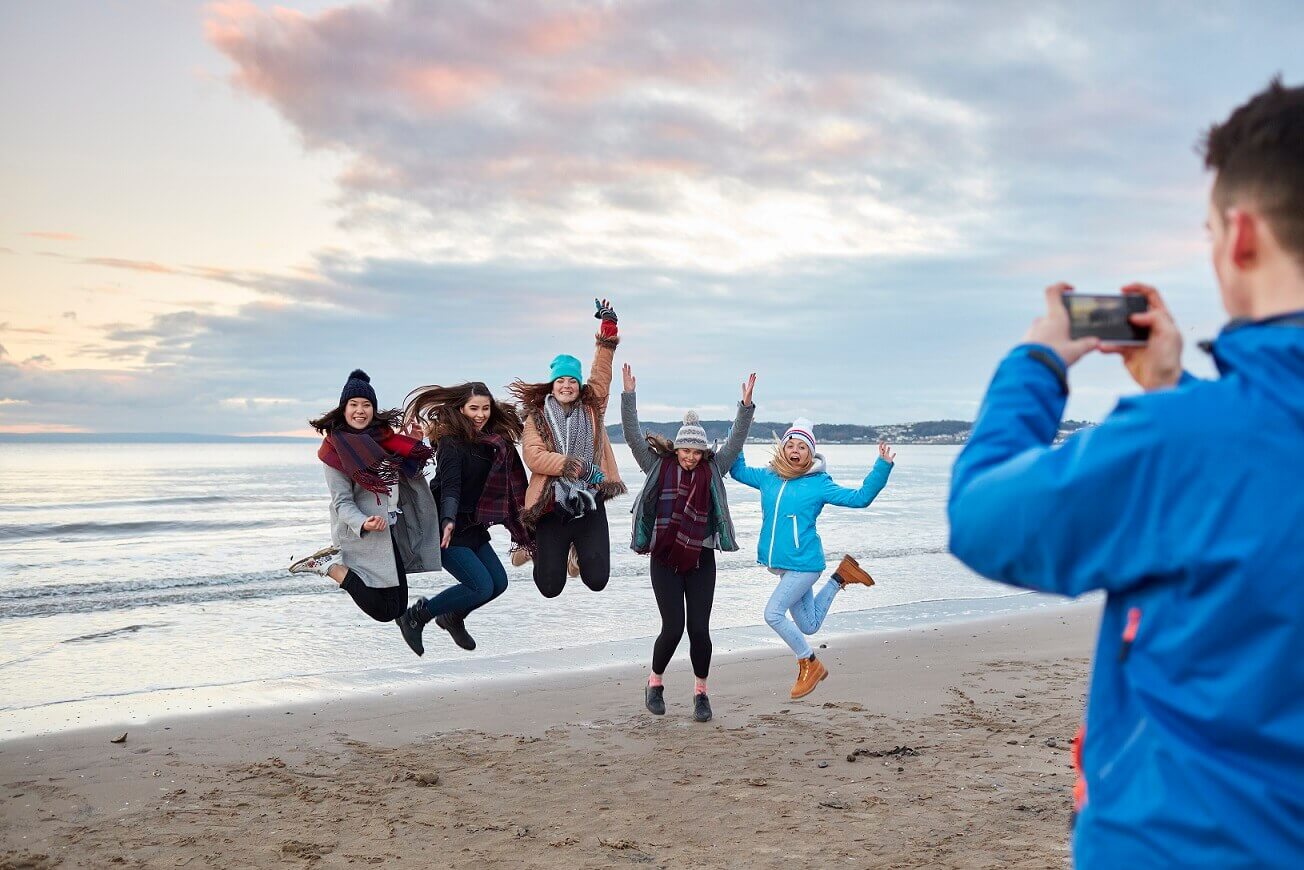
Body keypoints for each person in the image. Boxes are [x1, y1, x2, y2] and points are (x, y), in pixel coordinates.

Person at [947, 79, 1304, 866]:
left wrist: (1040, 359)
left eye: (1211, 229)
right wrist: (1175, 390)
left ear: (1241, 235)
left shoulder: (1182, 446)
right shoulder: (1198, 436)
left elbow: (980, 512)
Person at [622, 364, 756, 722]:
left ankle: (700, 693)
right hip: (664, 558)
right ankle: (655, 682)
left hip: (701, 559)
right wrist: (628, 396)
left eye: (697, 452)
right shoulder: (656, 465)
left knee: (699, 629)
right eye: (686, 450)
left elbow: (735, 443)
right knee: (672, 628)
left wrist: (744, 408)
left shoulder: (713, 469)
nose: (691, 457)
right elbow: (633, 435)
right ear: (677, 447)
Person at [730, 420, 894, 699]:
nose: (795, 450)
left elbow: (860, 498)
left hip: (804, 564)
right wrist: (739, 431)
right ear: (783, 448)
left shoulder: (819, 484)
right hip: (786, 567)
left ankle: (809, 663)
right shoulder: (769, 477)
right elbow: (737, 469)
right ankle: (842, 575)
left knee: (773, 614)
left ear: (811, 453)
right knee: (809, 625)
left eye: (802, 446)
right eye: (791, 444)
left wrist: (881, 466)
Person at [289, 370, 441, 647]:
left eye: (366, 405)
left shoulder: (382, 439)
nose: (360, 411)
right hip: (362, 534)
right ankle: (330, 568)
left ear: (373, 409)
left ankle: (332, 568)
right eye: (354, 405)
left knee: (398, 606)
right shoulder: (333, 451)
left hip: (388, 529)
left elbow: (407, 472)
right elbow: (341, 502)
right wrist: (363, 522)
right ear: (343, 409)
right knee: (386, 611)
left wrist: (412, 444)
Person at [393, 382, 533, 656]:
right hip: (445, 527)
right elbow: (450, 488)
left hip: (472, 524)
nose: (480, 414)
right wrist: (447, 520)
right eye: (474, 409)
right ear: (460, 409)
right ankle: (415, 616)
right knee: (480, 586)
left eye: (485, 408)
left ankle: (452, 617)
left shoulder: (494, 442)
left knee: (498, 584)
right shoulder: (450, 443)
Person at [510, 299, 626, 597]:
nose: (566, 385)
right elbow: (533, 456)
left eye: (571, 380)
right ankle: (533, 547)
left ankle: (577, 553)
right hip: (551, 504)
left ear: (578, 385)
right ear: (552, 386)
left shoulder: (592, 407)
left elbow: (601, 374)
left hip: (588, 500)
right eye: (560, 380)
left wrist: (608, 330)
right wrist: (570, 465)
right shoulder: (537, 418)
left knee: (597, 580)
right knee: (549, 587)